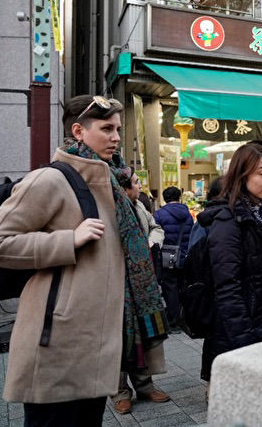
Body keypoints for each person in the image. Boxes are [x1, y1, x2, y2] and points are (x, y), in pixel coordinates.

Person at [0, 95, 169, 425]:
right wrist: (69, 239)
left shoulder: (111, 183)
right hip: (58, 341)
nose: (115, 137)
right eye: (106, 128)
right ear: (78, 131)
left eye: (118, 129)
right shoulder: (50, 180)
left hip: (95, 342)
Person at [196, 143, 262, 384]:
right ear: (241, 175)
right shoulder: (228, 221)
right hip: (240, 333)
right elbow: (227, 288)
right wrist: (245, 341)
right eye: (261, 173)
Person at [112, 167, 170, 414]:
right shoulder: (111, 210)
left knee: (145, 334)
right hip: (118, 285)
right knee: (120, 338)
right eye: (135, 183)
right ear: (124, 188)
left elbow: (156, 227)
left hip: (143, 283)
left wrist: (150, 240)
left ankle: (145, 385)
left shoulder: (139, 207)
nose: (139, 186)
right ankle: (119, 392)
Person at [153, 186, 194, 329]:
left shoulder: (159, 214)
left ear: (165, 198)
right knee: (183, 284)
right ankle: (185, 316)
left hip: (169, 254)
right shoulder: (187, 213)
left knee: (170, 285)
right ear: (179, 197)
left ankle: (173, 319)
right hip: (185, 254)